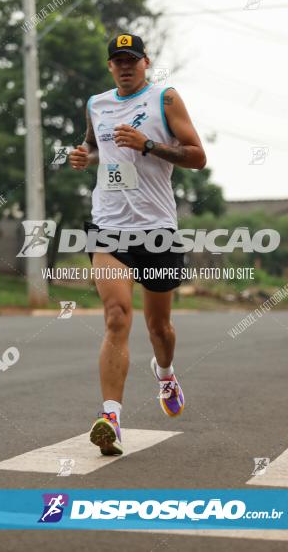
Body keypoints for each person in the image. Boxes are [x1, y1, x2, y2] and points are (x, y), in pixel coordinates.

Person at [68, 33, 207, 455]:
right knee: (115, 316)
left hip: (157, 228)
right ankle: (110, 416)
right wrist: (83, 156)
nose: (125, 66)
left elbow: (197, 156)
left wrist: (147, 144)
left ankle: (165, 373)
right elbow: (95, 147)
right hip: (109, 225)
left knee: (159, 329)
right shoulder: (97, 104)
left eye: (132, 59)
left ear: (146, 62)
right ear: (110, 67)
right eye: (117, 61)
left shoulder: (165, 99)